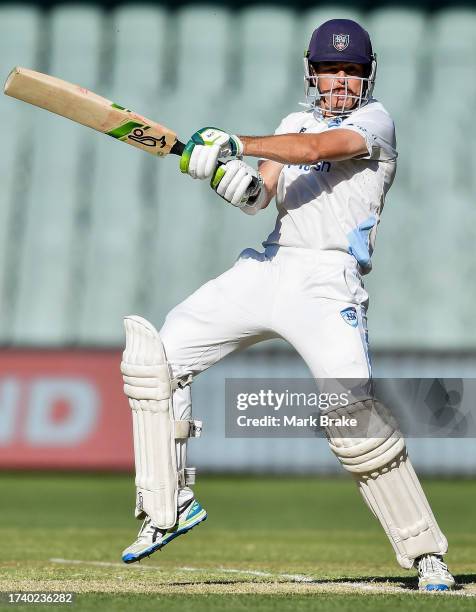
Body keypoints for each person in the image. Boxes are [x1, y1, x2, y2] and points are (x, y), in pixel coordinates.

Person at [120, 19, 455, 591]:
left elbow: (322, 148)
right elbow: (262, 194)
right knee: (155, 359)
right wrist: (230, 177)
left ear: (368, 77)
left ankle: (427, 556)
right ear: (313, 73)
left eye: (352, 72)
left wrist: (236, 143)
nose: (341, 82)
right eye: (331, 70)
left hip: (329, 283)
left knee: (354, 418)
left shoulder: (375, 122)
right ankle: (166, 507)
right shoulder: (292, 120)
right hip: (270, 267)